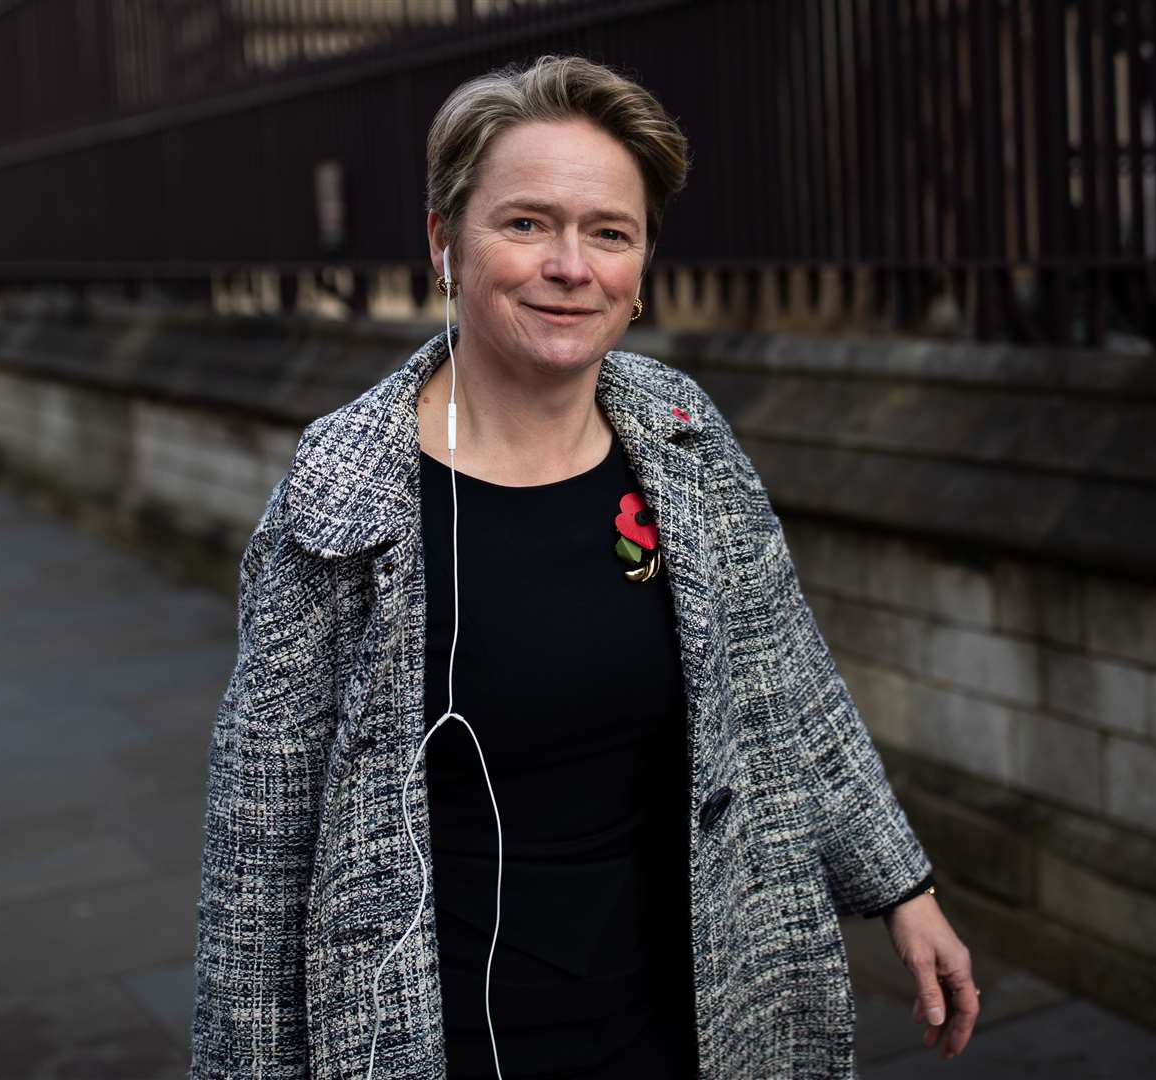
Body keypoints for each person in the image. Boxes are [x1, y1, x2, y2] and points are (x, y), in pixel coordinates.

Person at [190, 54, 978, 1080]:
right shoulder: (341, 499)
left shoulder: (686, 439)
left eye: (609, 233)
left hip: (693, 1020)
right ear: (445, 243)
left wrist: (901, 887)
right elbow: (259, 852)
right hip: (445, 1037)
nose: (572, 266)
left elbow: (788, 682)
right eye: (526, 224)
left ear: (642, 265)